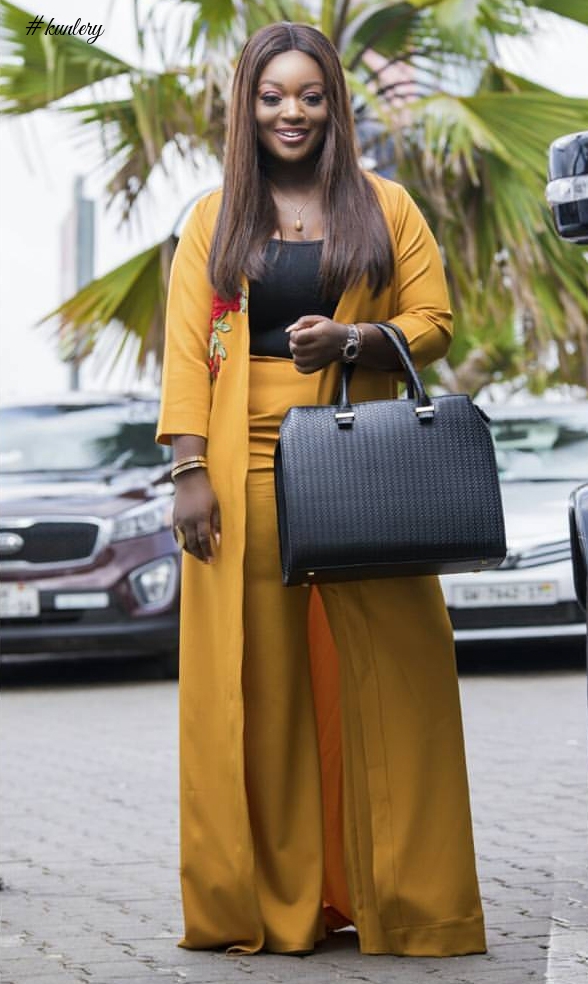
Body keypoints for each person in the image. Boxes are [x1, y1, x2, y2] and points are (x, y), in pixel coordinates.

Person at [157, 20, 486, 959]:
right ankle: (281, 909)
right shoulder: (211, 221)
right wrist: (188, 470)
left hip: (362, 457)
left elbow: (435, 318)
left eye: (308, 94)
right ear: (246, 108)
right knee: (259, 692)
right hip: (243, 461)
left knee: (398, 679)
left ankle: (414, 904)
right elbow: (188, 357)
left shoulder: (385, 206)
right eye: (271, 96)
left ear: (334, 103)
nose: (290, 111)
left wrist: (357, 341)